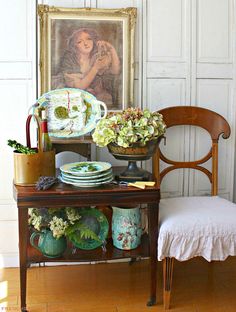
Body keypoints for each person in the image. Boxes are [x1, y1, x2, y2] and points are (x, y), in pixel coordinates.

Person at [53, 28, 121, 107]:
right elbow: (79, 86)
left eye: (89, 39)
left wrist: (111, 48)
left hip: (93, 95)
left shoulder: (95, 56)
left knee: (105, 98)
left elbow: (115, 71)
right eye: (79, 42)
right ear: (74, 46)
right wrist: (95, 68)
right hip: (73, 97)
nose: (86, 43)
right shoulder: (70, 60)